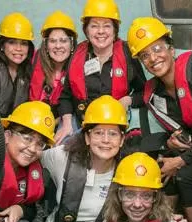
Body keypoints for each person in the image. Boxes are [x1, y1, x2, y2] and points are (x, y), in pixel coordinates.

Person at [127, 17, 192, 222]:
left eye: (157, 48)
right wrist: (171, 145)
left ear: (171, 49)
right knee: (161, 167)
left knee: (185, 175)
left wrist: (181, 160)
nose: (153, 58)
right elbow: (144, 101)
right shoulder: (158, 91)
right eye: (145, 55)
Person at [56, 0, 146, 143]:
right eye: (94, 26)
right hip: (82, 124)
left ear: (115, 30)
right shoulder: (77, 55)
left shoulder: (127, 54)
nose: (101, 31)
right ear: (86, 30)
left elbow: (145, 92)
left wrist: (128, 100)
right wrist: (67, 125)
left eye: (107, 26)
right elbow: (65, 96)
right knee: (61, 147)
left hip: (115, 127)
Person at [29, 10, 78, 143]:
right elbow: (11, 53)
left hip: (62, 121)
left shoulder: (80, 65)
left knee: (65, 143)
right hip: (32, 121)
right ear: (46, 45)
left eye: (63, 41)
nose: (58, 46)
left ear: (72, 44)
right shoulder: (33, 60)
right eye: (52, 41)